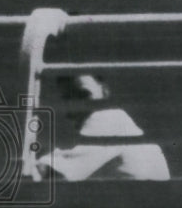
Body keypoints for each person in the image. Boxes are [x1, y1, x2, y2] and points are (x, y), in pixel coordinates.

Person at [36, 74, 170, 181]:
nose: (77, 105)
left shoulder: (110, 117)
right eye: (68, 99)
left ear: (105, 93)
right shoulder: (118, 122)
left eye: (84, 95)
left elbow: (53, 169)